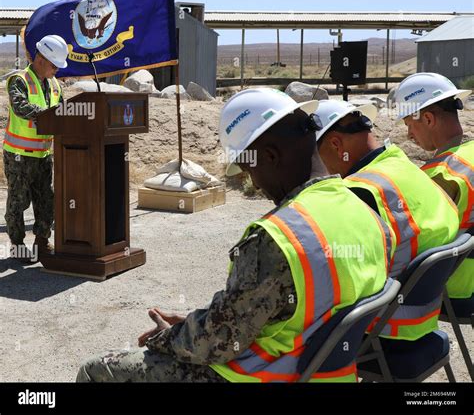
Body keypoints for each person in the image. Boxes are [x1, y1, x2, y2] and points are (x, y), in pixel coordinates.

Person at [77, 88, 393, 383]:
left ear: (269, 156)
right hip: (324, 372)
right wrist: (195, 322)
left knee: (95, 370)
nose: (253, 183)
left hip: (265, 374)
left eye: (248, 169)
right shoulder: (367, 209)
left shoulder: (276, 237)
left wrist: (167, 337)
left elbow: (219, 341)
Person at [314, 99, 459, 340]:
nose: (322, 168)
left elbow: (343, 280)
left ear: (336, 144)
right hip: (423, 322)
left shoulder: (360, 191)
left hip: (386, 334)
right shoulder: (398, 161)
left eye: (318, 157)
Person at [391, 72, 473, 304]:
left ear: (428, 119)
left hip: (457, 290)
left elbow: (414, 244)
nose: (408, 135)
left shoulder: (440, 174)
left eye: (409, 124)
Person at [3, 34, 67, 263]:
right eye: (54, 65)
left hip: (43, 155)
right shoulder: (18, 80)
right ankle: (18, 245)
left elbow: (64, 113)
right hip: (19, 155)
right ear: (41, 59)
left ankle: (42, 241)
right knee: (18, 201)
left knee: (45, 199)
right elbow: (21, 107)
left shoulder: (55, 85)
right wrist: (48, 116)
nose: (57, 71)